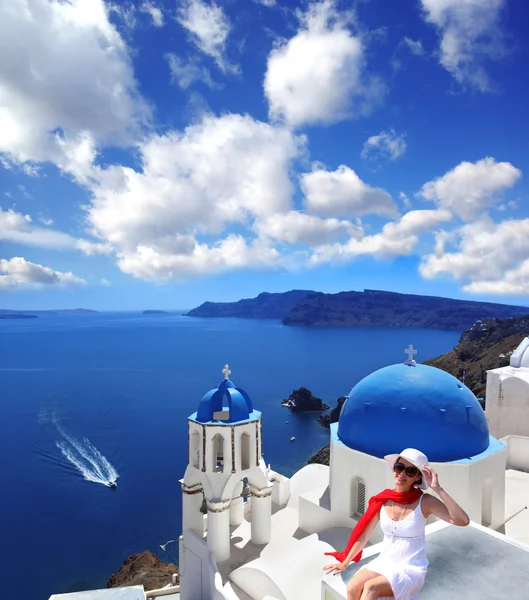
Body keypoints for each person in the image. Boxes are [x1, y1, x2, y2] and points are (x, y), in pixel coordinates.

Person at [323, 448, 469, 600]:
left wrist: (438, 489)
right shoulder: (383, 500)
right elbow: (365, 535)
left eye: (410, 471)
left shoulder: (424, 502)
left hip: (411, 568)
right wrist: (345, 562)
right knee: (353, 587)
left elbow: (462, 520)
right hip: (385, 562)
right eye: (399, 467)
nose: (402, 474)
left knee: (371, 588)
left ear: (418, 476)